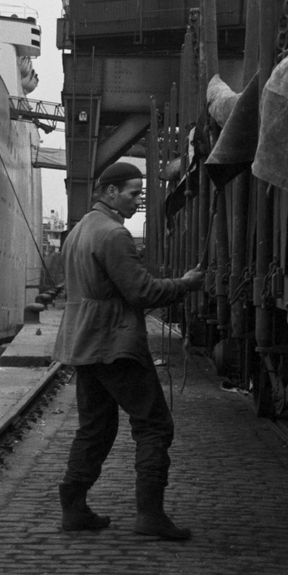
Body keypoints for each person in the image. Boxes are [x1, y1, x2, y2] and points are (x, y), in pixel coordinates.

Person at [52, 161, 204, 541]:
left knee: (95, 427)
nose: (138, 200)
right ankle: (150, 515)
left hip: (83, 342)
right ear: (109, 192)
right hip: (115, 344)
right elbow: (142, 292)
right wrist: (185, 284)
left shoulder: (80, 231)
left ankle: (73, 508)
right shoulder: (114, 234)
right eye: (133, 192)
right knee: (154, 425)